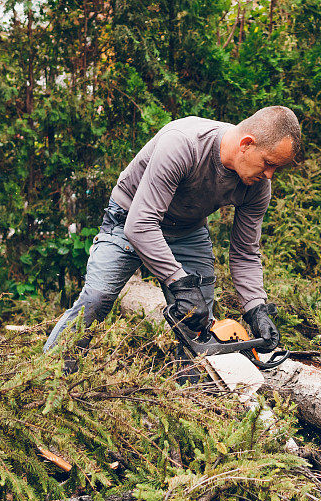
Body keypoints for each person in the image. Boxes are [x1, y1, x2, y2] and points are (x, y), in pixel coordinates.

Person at [43, 106, 300, 369]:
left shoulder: (258, 186)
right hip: (129, 219)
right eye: (268, 163)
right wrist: (181, 283)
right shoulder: (184, 143)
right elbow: (140, 225)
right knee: (97, 298)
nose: (269, 175)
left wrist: (256, 308)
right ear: (246, 144)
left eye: (276, 168)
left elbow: (245, 252)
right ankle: (47, 375)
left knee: (198, 320)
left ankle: (192, 397)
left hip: (187, 230)